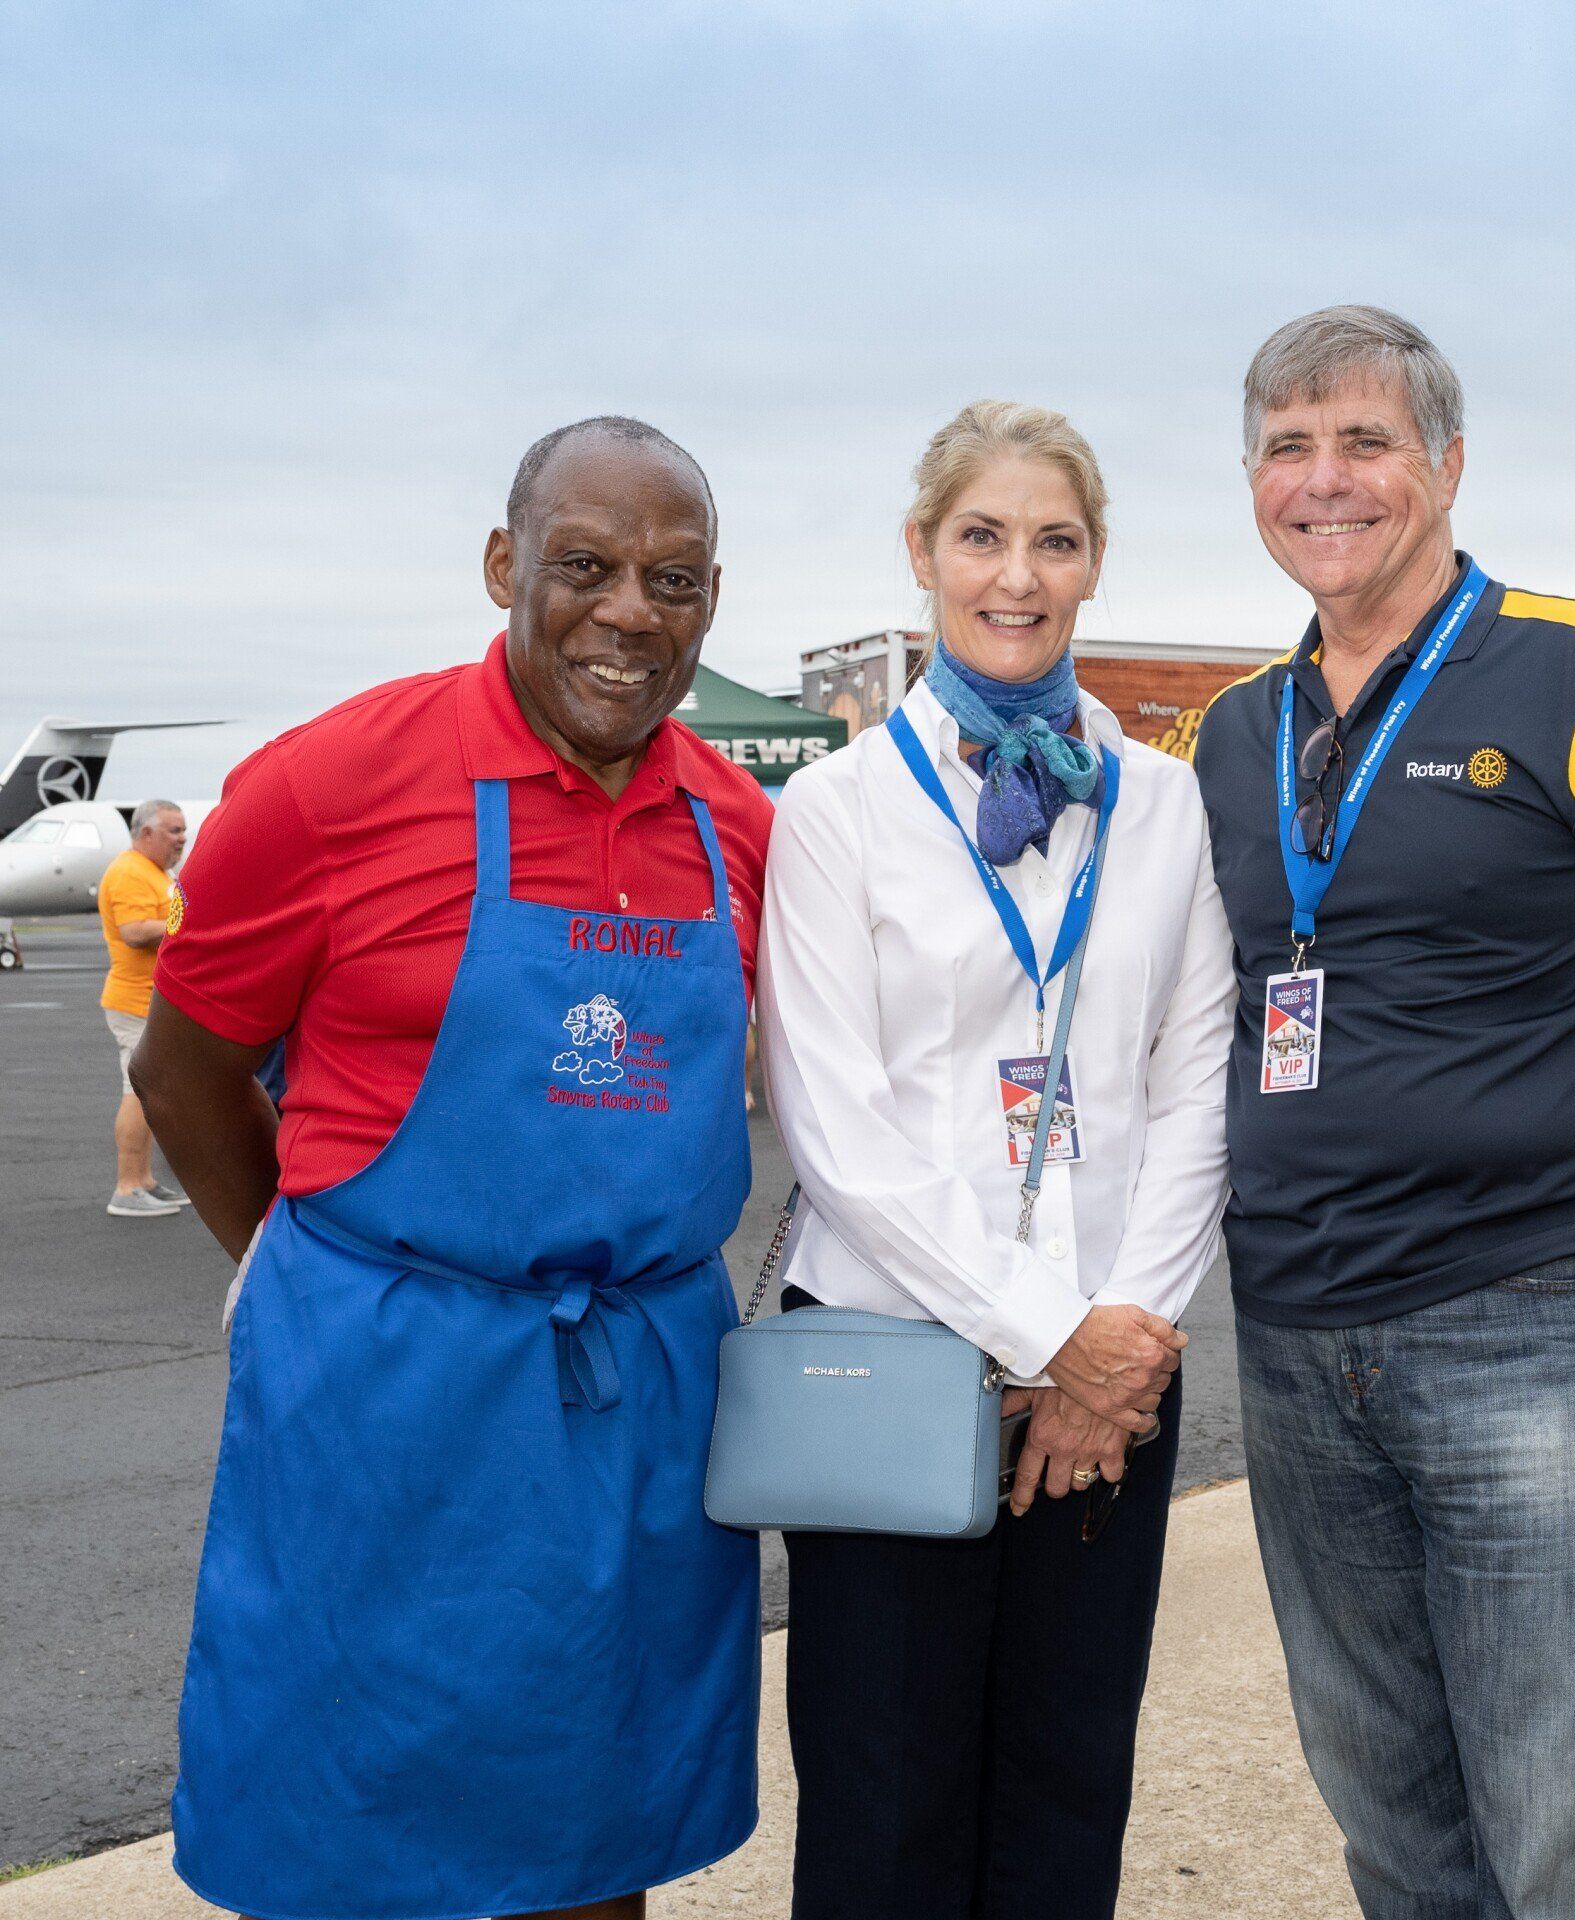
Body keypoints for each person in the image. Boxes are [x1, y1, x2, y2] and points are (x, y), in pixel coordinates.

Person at [1195, 305, 1575, 1920]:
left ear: (1449, 464)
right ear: (1252, 482)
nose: (1327, 481)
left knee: (1564, 1841)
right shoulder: (1232, 736)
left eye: (1366, 442)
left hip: (1527, 1312)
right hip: (1297, 1334)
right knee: (1394, 1829)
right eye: (1288, 449)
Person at [132, 417, 772, 1920]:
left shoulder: (739, 827)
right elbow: (185, 1072)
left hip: (639, 1401)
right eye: (586, 567)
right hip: (387, 1396)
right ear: (503, 566)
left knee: (595, 1833)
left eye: (672, 582)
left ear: (711, 602)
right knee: (359, 1821)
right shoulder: (323, 787)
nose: (629, 613)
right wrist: (307, 1279)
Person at [757, 400, 1234, 1920]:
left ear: (1094, 565)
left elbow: (1194, 1083)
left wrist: (1121, 1347)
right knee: (884, 1803)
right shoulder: (832, 813)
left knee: (1067, 1785)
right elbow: (840, 1134)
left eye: (1054, 540)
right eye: (982, 537)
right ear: (922, 553)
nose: (1016, 576)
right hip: (899, 1365)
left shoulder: (1161, 803)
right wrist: (1047, 1340)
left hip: (1116, 1369)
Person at [97, 797, 189, 1217]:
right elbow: (134, 931)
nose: (182, 838)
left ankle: (145, 1180)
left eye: (183, 830)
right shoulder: (130, 871)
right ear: (146, 833)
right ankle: (127, 1188)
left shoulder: (155, 872)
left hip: (153, 1003)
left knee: (149, 1093)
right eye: (174, 831)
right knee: (137, 1091)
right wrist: (187, 924)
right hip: (135, 1002)